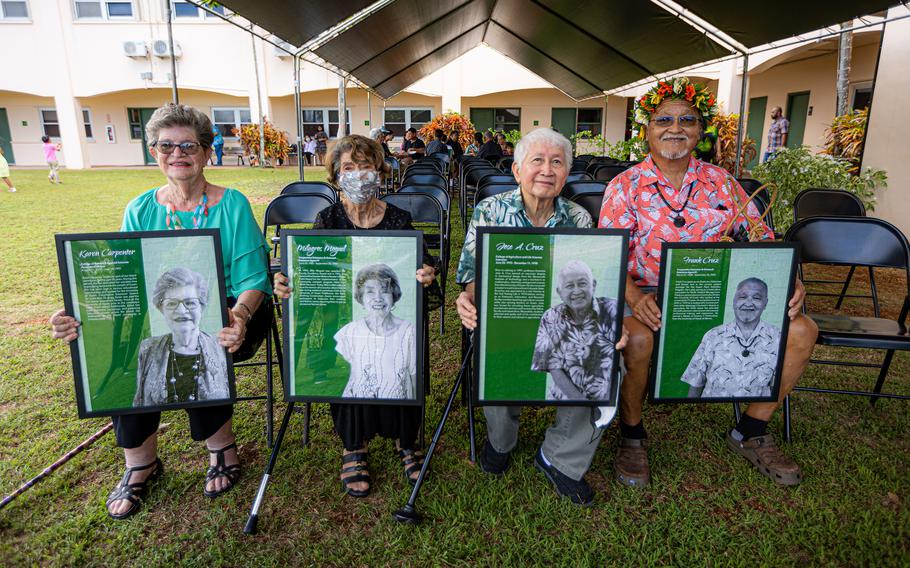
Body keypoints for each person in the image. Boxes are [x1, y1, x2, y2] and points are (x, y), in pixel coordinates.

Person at [49, 103, 272, 519]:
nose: (177, 153)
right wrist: (78, 310)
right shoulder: (140, 208)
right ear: (154, 152)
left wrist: (237, 316)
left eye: (189, 144)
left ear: (206, 151)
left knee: (199, 336)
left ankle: (220, 445)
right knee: (133, 349)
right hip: (164, 310)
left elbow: (253, 280)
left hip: (234, 309)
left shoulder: (232, 204)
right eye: (166, 145)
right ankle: (140, 462)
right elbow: (124, 276)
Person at [598, 77, 817, 488]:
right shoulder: (623, 187)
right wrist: (633, 295)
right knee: (639, 339)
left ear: (701, 131)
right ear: (647, 129)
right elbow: (609, 256)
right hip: (647, 297)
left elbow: (762, 238)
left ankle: (750, 430)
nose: (675, 128)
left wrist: (790, 281)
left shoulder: (723, 183)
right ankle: (632, 436)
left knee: (803, 331)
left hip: (723, 298)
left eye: (687, 120)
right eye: (664, 119)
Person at [455, 127, 628, 506]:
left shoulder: (580, 219)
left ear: (566, 172)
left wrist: (611, 327)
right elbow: (470, 273)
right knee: (491, 341)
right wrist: (466, 299)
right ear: (517, 170)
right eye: (537, 161)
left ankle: (560, 458)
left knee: (602, 355)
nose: (547, 170)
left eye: (557, 162)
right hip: (508, 316)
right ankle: (501, 441)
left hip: (565, 322)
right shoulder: (491, 210)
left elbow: (593, 283)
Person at [273, 134, 440, 497]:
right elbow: (311, 275)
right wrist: (289, 283)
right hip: (346, 316)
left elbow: (422, 273)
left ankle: (406, 442)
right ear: (336, 176)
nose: (359, 175)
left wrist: (426, 274)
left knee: (401, 355)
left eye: (366, 166)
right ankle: (354, 446)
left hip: (390, 317)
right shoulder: (328, 218)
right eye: (349, 167)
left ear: (380, 172)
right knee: (354, 362)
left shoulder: (399, 219)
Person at [135, 268, 230, 407]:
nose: (181, 311)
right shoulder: (148, 348)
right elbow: (140, 401)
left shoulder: (219, 345)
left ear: (201, 306)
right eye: (172, 303)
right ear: (161, 308)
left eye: (190, 302)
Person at [531, 260, 619, 402]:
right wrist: (579, 401)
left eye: (582, 283)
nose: (577, 291)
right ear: (559, 292)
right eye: (569, 286)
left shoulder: (612, 309)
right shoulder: (550, 317)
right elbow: (553, 367)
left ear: (594, 285)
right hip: (566, 396)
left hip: (605, 396)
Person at [683, 278, 781, 399]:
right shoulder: (713, 335)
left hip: (753, 408)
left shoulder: (777, 337)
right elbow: (696, 381)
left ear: (765, 303)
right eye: (742, 297)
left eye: (756, 298)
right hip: (713, 409)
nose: (749, 303)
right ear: (734, 301)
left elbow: (777, 386)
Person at [336, 263, 417, 399]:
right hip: (358, 409)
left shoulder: (408, 331)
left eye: (384, 290)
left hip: (398, 410)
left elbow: (415, 378)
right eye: (370, 291)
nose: (378, 298)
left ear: (394, 295)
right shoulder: (349, 332)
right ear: (361, 297)